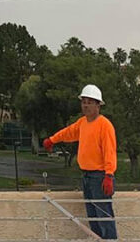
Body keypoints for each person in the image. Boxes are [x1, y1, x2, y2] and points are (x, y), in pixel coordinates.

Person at [42, 84, 118, 239]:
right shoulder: (83, 123)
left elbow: (109, 152)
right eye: (84, 101)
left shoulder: (105, 125)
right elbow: (68, 132)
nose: (86, 105)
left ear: (98, 105)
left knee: (103, 216)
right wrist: (52, 140)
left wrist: (109, 175)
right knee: (93, 217)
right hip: (87, 176)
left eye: (90, 102)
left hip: (100, 177)